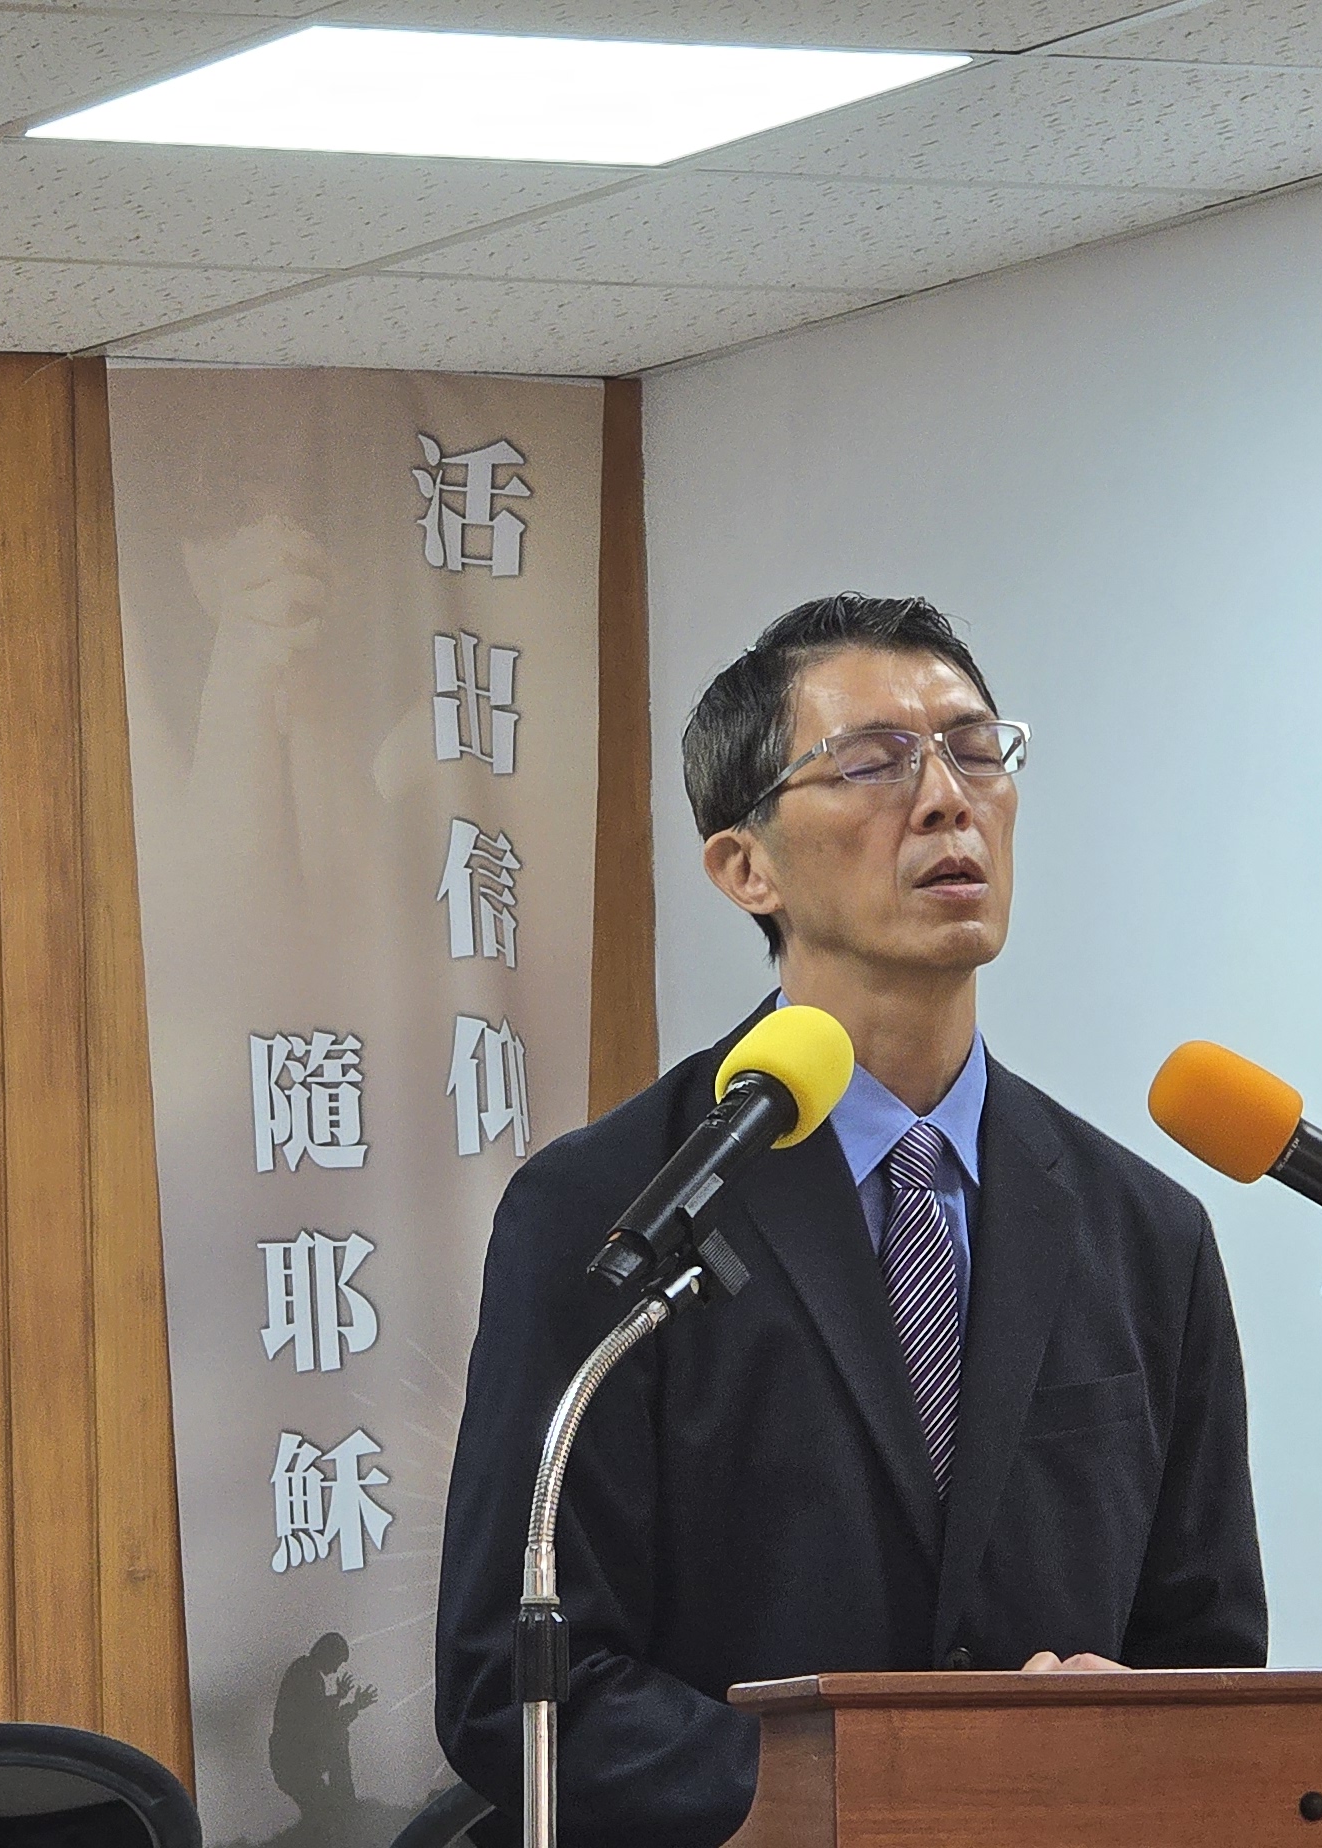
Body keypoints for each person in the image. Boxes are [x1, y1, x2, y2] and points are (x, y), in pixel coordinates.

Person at [433, 594, 1267, 1847]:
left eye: (975, 751)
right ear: (745, 866)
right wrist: (886, 1798)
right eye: (872, 763)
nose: (945, 801)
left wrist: (1132, 1732)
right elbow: (516, 1684)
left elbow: (1209, 1654)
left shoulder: (1145, 1231)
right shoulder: (615, 1211)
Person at [267, 1630, 377, 1844]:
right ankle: (345, 1803)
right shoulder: (305, 1674)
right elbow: (317, 1722)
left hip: (295, 1762)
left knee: (321, 1816)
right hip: (294, 1763)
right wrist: (348, 1702)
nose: (335, 1670)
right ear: (327, 1653)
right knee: (326, 1816)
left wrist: (347, 1702)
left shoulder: (305, 1672)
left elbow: (319, 1719)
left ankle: (342, 1809)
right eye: (337, 1662)